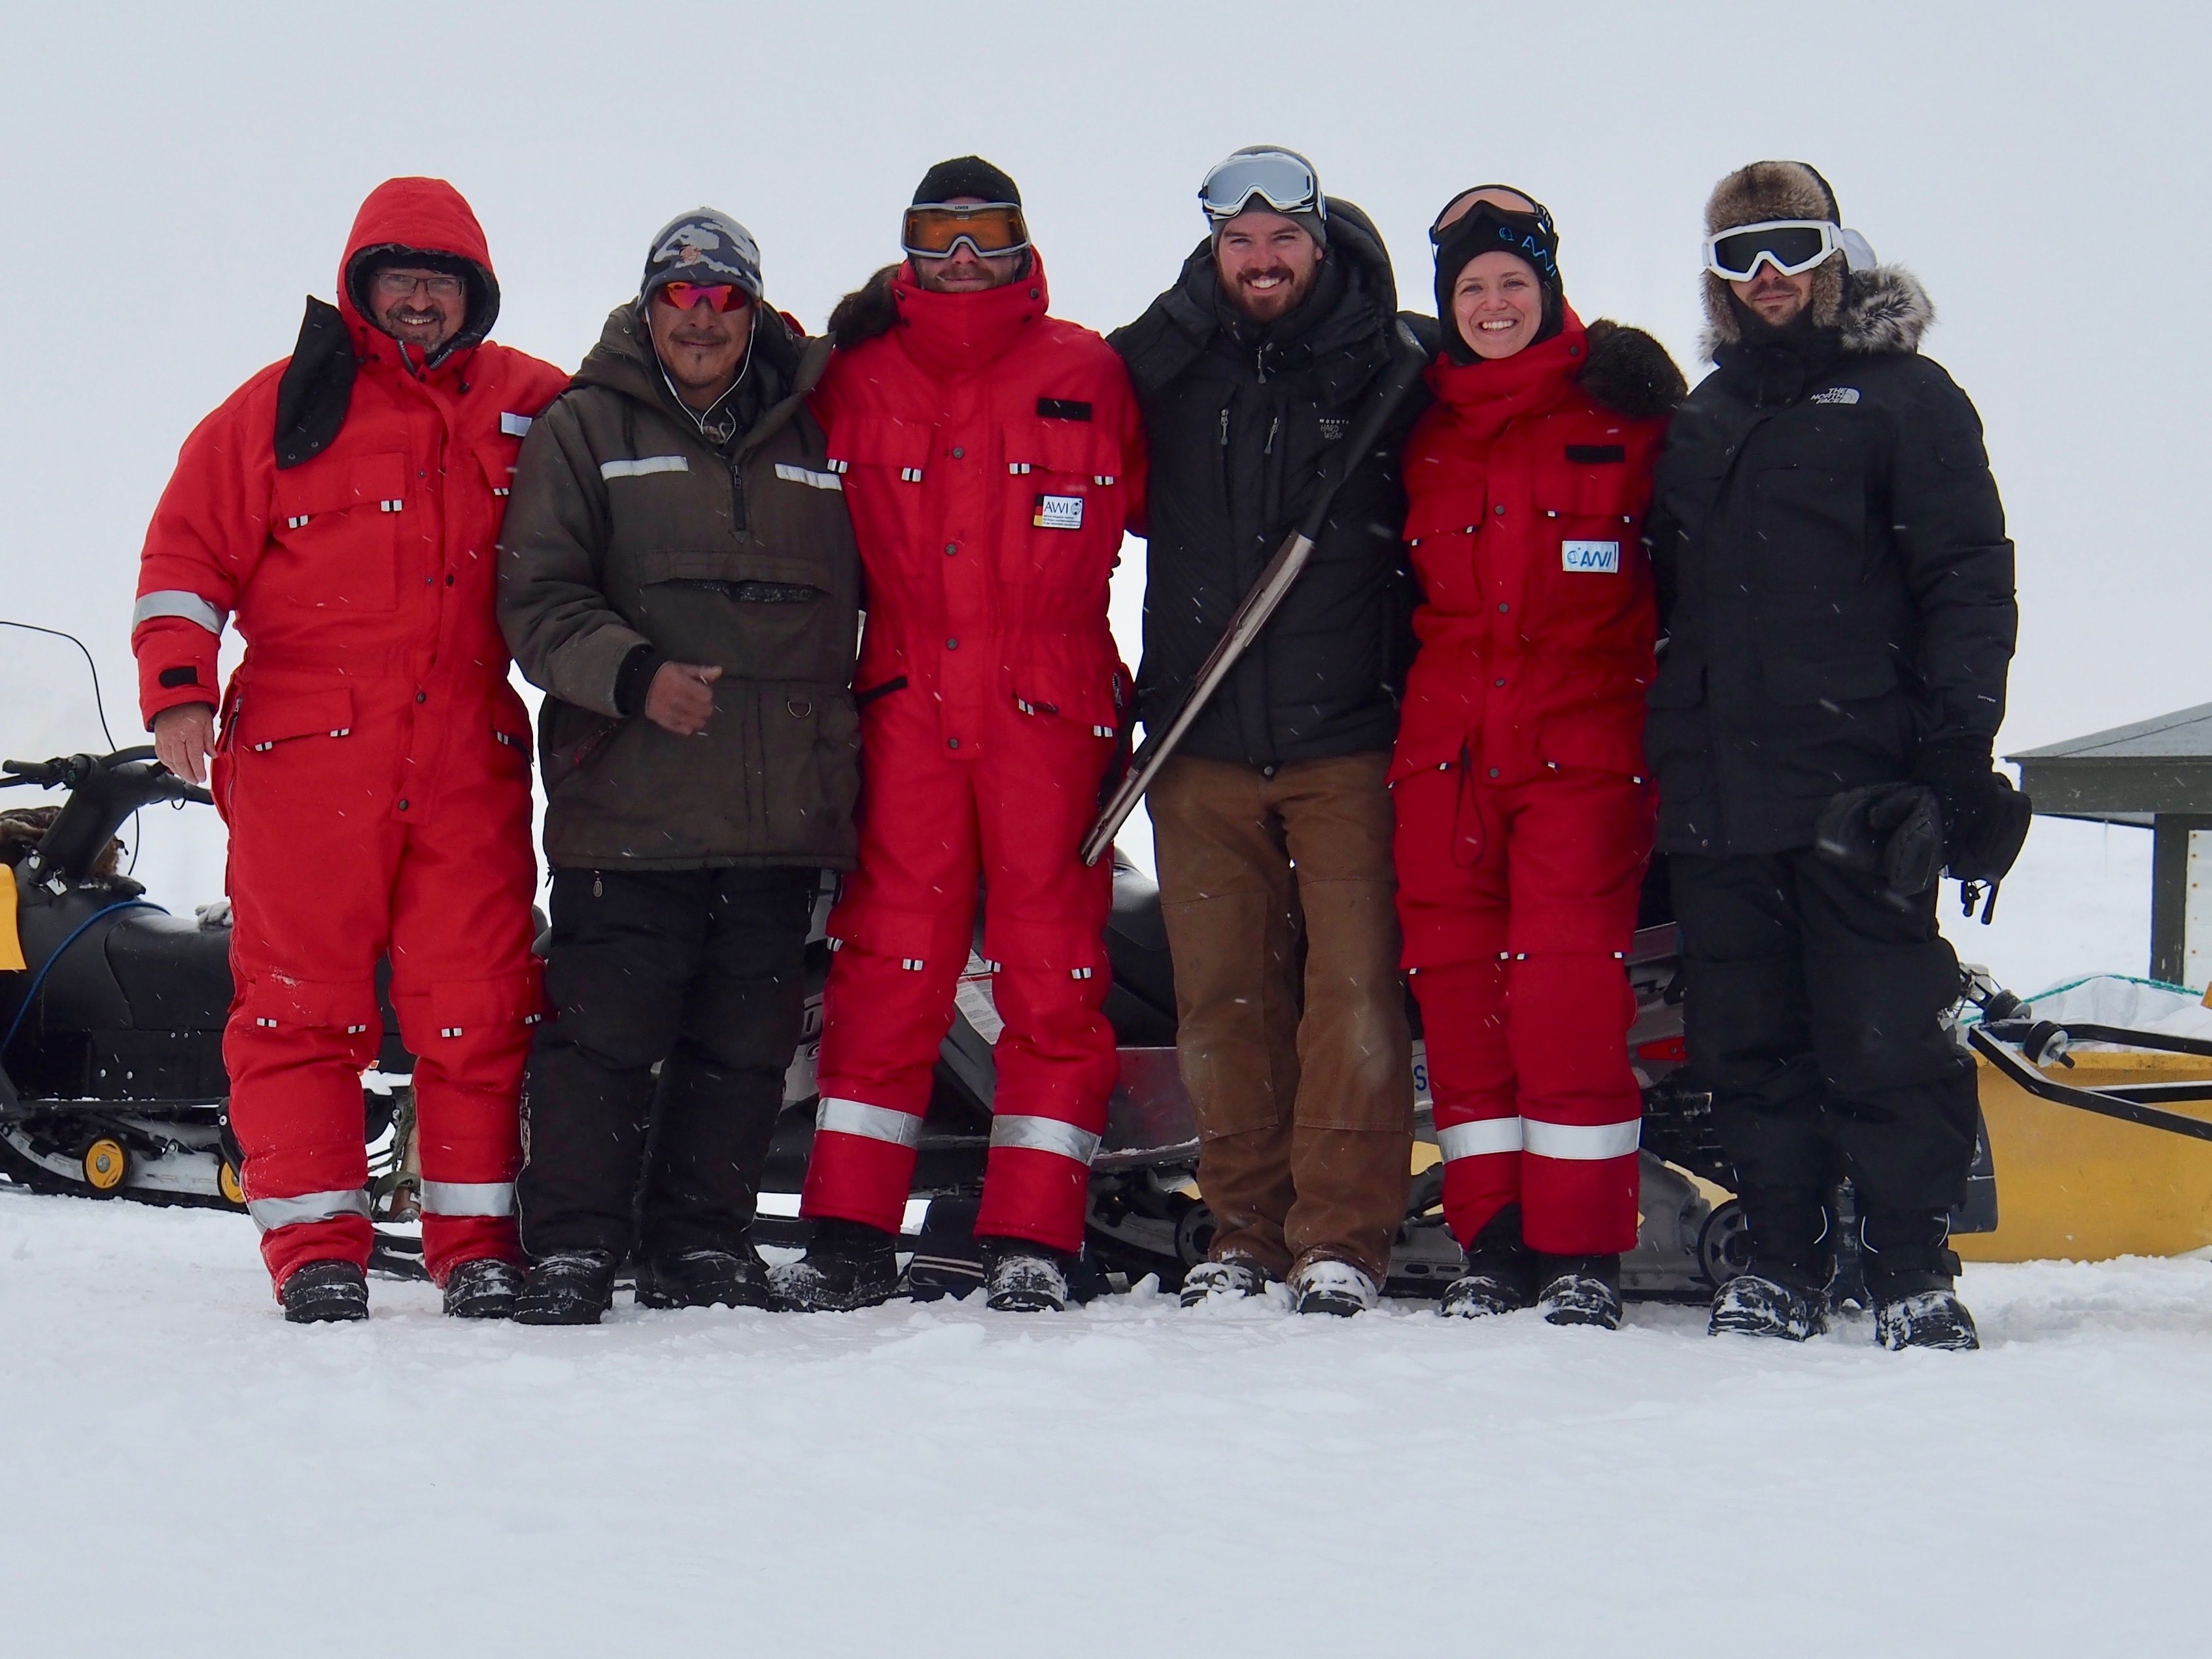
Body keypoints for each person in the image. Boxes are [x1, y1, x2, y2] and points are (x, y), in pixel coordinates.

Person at [131, 179, 569, 1321]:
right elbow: (184, 559)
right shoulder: (280, 406)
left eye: (441, 282)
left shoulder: (533, 401)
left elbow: (649, 424)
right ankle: (314, 1248)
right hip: (304, 755)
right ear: (360, 285)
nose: (420, 300)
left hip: (468, 750)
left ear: (476, 294)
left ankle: (477, 1244)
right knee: (299, 1006)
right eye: (400, 279)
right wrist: (178, 694)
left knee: (480, 1004)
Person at [1646, 162, 2019, 1350]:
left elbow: (1966, 578)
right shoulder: (1703, 417)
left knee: (1883, 1033)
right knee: (1746, 1043)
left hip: (1861, 785)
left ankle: (1910, 1264)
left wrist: (1959, 751)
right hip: (1717, 793)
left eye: (1791, 248)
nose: (1767, 276)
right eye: (1738, 255)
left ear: (1836, 257)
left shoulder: (1906, 398)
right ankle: (1783, 1260)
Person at [774, 157, 1147, 1314]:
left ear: (1026, 242)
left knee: (1052, 975)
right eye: (939, 237)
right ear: (906, 253)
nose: (966, 258)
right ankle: (847, 1233)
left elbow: (1195, 499)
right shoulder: (855, 373)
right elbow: (728, 390)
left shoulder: (1090, 371)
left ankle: (1036, 1234)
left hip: (1052, 704)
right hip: (904, 704)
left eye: (987, 232)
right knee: (887, 970)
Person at [496, 211, 861, 1324]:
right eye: (680, 297)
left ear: (755, 310)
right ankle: (574, 1247)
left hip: (783, 808)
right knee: (600, 1042)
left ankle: (701, 1242)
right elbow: (536, 600)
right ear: (648, 306)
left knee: (744, 1051)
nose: (701, 319)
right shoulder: (583, 426)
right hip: (630, 803)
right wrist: (634, 674)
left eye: (724, 299)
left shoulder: (827, 425)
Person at [1109, 147, 1426, 1316]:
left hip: (1347, 737)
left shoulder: (1397, 360)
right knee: (1223, 999)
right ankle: (1242, 1229)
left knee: (1352, 995)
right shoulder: (1163, 361)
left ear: (1318, 242)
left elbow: (1520, 388)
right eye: (1238, 241)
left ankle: (1341, 1235)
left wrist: (1622, 370)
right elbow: (1031, 392)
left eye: (1282, 238)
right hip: (1199, 741)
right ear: (1211, 248)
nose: (1260, 260)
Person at [1391, 187, 1684, 1331]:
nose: (1493, 304)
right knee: (1462, 1005)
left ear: (1550, 288)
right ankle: (1493, 1242)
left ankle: (1579, 1249)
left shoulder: (1627, 416)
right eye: (1470, 287)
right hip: (1446, 759)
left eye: (1513, 282)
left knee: (1564, 995)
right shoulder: (1416, 425)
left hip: (1582, 749)